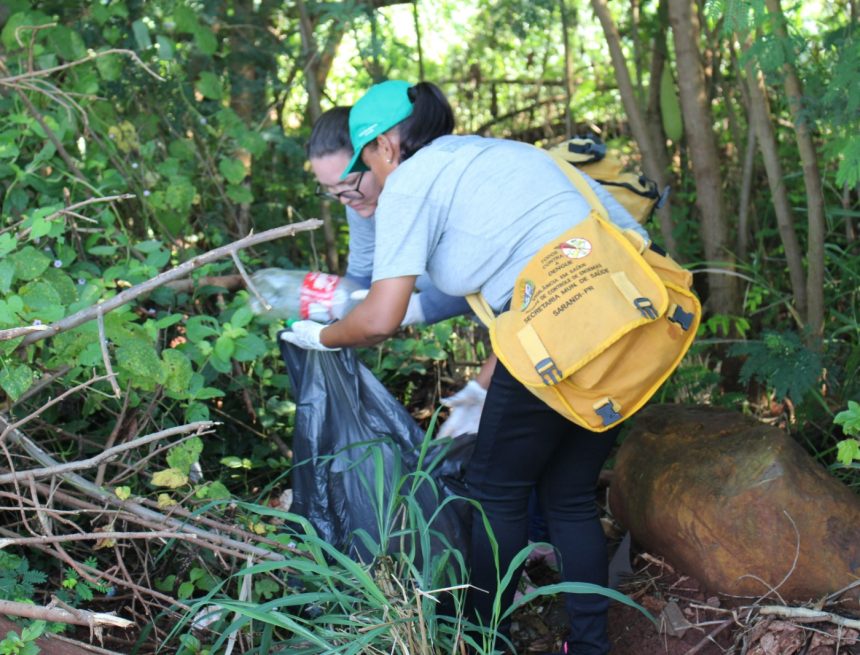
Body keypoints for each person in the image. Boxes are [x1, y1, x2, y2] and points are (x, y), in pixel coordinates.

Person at [283, 79, 649, 654]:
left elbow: (380, 317)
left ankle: (480, 640)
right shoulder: (492, 154)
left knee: (493, 493)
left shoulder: (409, 184)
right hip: (628, 320)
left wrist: (322, 336)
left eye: (363, 166)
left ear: (385, 146)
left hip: (558, 330)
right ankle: (589, 646)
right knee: (569, 496)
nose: (364, 183)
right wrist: (484, 382)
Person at [307, 106, 489, 438]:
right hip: (510, 324)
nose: (344, 200)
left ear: (378, 153)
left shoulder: (426, 190)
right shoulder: (361, 204)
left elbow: (477, 275)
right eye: (330, 191)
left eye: (348, 183)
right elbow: (361, 279)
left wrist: (408, 311)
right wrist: (327, 313)